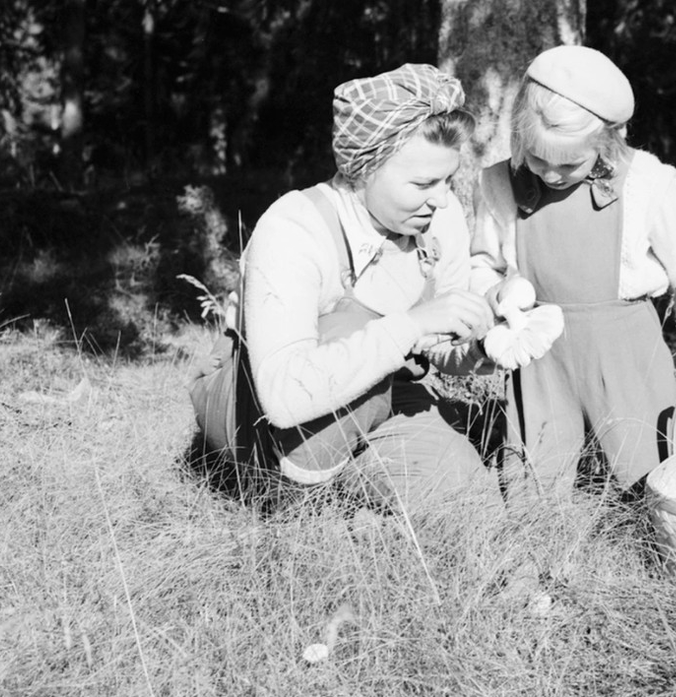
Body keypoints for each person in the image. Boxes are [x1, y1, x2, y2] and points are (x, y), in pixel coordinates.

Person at [191, 63, 499, 510]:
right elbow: (282, 397)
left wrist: (479, 345)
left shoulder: (440, 216)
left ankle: (354, 491)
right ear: (361, 170)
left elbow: (434, 346)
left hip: (381, 391)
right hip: (259, 405)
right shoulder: (294, 227)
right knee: (343, 333)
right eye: (423, 183)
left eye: (449, 179)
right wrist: (411, 325)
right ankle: (287, 497)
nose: (442, 198)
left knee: (471, 504)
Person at [469, 45, 676, 500]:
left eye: (568, 164)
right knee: (534, 486)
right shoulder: (499, 182)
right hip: (541, 360)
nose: (552, 175)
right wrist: (498, 293)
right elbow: (480, 264)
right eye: (538, 160)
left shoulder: (649, 183)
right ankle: (535, 554)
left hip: (626, 356)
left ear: (606, 142)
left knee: (654, 484)